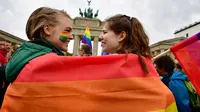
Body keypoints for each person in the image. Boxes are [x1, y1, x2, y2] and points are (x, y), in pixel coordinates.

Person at [99, 14, 177, 111]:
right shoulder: (149, 72)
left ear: (121, 36)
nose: (100, 37)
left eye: (105, 32)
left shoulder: (109, 71)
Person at [5, 7, 73, 83]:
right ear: (47, 30)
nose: (71, 37)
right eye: (67, 30)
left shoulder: (24, 56)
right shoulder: (49, 63)